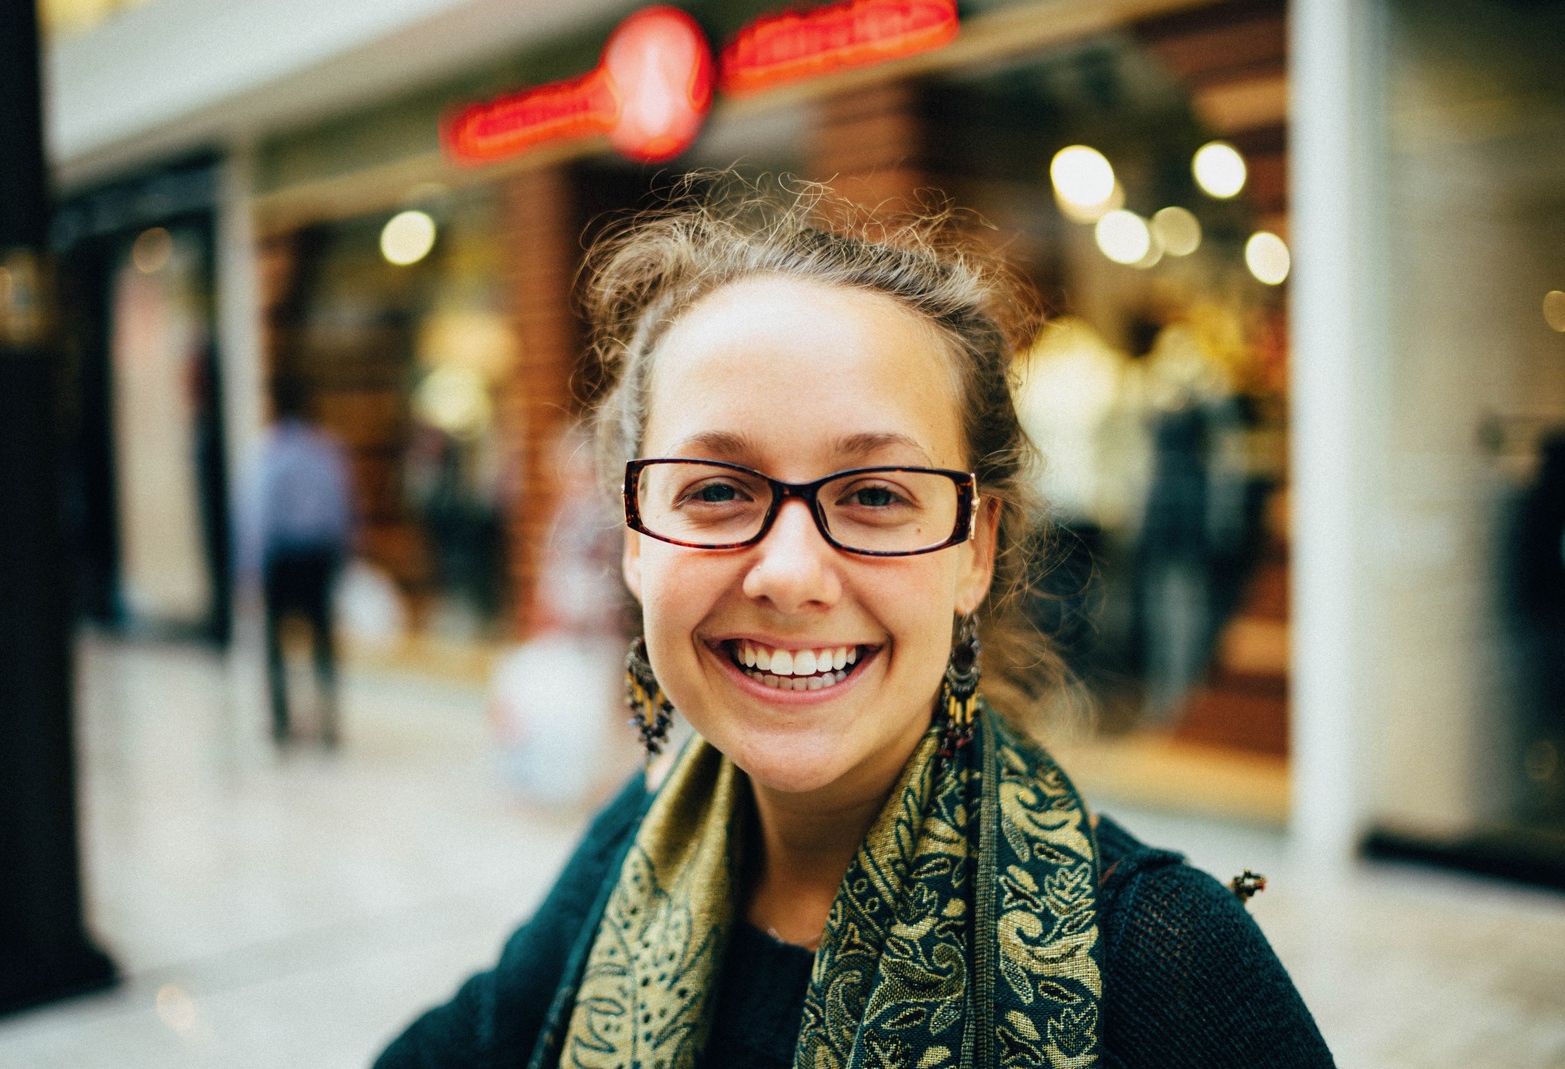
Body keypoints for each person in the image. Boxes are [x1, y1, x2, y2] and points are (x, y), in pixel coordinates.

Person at [374, 177, 1335, 1068]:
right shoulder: (637, 849)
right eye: (715, 488)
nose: (790, 574)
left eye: (876, 493)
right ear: (634, 538)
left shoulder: (1161, 962)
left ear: (975, 547)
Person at [241, 377, 354, 745]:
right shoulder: (327, 450)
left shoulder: (269, 453)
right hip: (318, 558)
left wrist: (249, 570)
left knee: (275, 645)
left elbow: (257, 517)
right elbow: (342, 511)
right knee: (323, 641)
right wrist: (344, 558)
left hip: (282, 559)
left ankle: (282, 722)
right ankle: (328, 720)